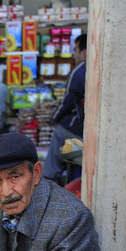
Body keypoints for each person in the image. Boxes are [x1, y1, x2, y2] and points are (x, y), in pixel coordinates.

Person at [42, 33, 87, 185]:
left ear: (84, 52)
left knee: (60, 131)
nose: (74, 55)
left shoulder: (80, 71)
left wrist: (53, 118)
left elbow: (68, 101)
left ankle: (49, 178)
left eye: (75, 51)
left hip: (85, 126)